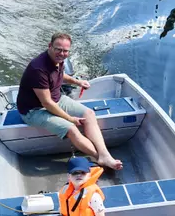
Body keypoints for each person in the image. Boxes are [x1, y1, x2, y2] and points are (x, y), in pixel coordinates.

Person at [17, 33, 123, 171]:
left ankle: (105, 155)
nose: (62, 53)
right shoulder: (38, 69)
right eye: (58, 49)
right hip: (34, 111)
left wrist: (78, 82)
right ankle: (99, 158)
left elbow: (60, 75)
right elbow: (47, 103)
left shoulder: (59, 60)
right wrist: (70, 118)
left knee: (89, 114)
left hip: (57, 99)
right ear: (50, 46)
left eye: (65, 51)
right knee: (71, 128)